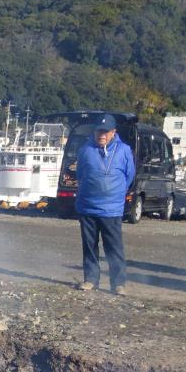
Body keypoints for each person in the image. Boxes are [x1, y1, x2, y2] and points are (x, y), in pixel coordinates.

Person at [74, 113, 136, 295]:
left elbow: (129, 176)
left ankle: (118, 283)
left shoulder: (124, 150)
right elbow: (80, 174)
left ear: (113, 132)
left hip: (112, 209)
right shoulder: (85, 150)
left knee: (114, 247)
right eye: (99, 131)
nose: (102, 135)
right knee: (89, 246)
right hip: (87, 206)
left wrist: (115, 193)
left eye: (105, 132)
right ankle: (91, 280)